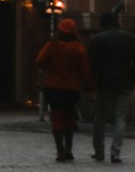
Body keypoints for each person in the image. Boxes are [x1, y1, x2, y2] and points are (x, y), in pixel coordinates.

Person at [88, 8, 135, 164]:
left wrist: (93, 80)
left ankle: (99, 151)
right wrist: (132, 79)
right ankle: (115, 153)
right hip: (124, 82)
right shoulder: (129, 37)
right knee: (120, 117)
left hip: (103, 82)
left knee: (100, 116)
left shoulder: (97, 39)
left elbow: (91, 63)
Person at [35, 13, 92, 163]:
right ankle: (68, 149)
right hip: (71, 87)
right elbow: (85, 70)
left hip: (53, 86)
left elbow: (40, 60)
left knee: (57, 117)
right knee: (69, 116)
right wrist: (89, 86)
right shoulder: (78, 48)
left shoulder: (51, 45)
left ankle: (59, 150)